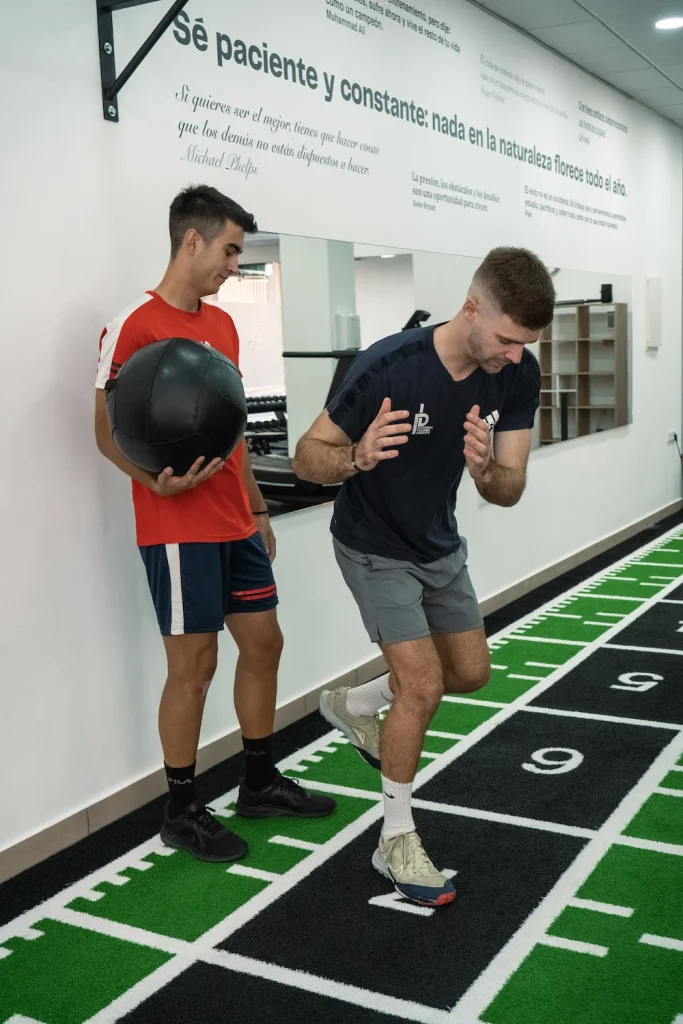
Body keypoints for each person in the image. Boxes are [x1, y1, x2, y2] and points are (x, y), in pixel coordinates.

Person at [292, 247, 553, 906]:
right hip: (371, 544)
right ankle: (395, 840)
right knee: (422, 686)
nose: (514, 355)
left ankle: (353, 705)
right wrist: (355, 455)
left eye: (524, 344)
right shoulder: (389, 365)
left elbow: (511, 485)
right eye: (506, 339)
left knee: (470, 672)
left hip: (437, 542)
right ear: (471, 309)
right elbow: (305, 457)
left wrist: (486, 471)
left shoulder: (516, 372)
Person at [95, 184, 335, 863]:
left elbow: (232, 435)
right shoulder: (132, 325)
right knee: (194, 667)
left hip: (235, 522)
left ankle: (257, 783)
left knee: (264, 644)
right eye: (230, 251)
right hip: (177, 527)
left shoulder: (224, 327)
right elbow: (104, 433)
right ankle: (180, 810)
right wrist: (153, 482)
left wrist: (256, 509)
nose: (235, 265)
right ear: (192, 240)